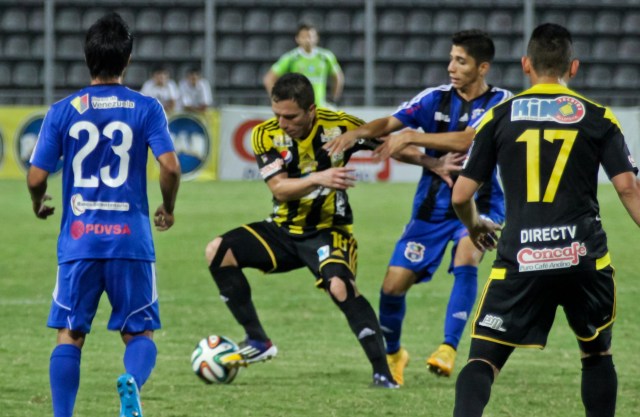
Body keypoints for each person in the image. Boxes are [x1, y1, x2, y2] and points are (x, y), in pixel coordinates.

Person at [451, 23, 640, 417]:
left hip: (521, 257)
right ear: (573, 67)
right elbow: (627, 190)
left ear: (525, 65)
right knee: (596, 351)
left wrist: (475, 226)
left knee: (482, 359)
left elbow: (461, 195)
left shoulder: (498, 117)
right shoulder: (599, 118)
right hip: (583, 256)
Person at [324, 29, 512, 385]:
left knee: (467, 256)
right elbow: (390, 124)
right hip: (431, 209)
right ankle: (394, 353)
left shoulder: (502, 102)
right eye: (451, 58)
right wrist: (357, 132)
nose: (451, 67)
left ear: (482, 67)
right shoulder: (434, 98)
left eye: (461, 61)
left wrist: (413, 136)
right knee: (392, 286)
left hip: (480, 203)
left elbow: (468, 139)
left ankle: (448, 348)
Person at [205, 73, 408, 388]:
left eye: (291, 116)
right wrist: (319, 178)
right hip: (282, 231)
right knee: (218, 251)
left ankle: (382, 371)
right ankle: (258, 341)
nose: (283, 123)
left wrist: (433, 164)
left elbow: (391, 144)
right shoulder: (265, 134)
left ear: (311, 110)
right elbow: (280, 188)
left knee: (340, 286)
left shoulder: (339, 126)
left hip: (328, 231)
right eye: (277, 115)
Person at [27, 13, 181, 417]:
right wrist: (168, 206)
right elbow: (171, 167)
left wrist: (38, 201)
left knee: (70, 334)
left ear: (87, 57)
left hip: (79, 240)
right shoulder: (146, 107)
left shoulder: (63, 110)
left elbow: (36, 175)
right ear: (127, 60)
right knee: (139, 332)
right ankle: (131, 382)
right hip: (130, 238)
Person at [263, 23, 344, 107]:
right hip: (298, 108)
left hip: (319, 107)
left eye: (310, 36)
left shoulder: (326, 57)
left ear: (317, 38)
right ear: (297, 39)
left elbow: (338, 77)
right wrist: (277, 99)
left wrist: (334, 98)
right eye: (304, 37)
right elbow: (269, 79)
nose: (308, 40)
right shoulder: (291, 58)